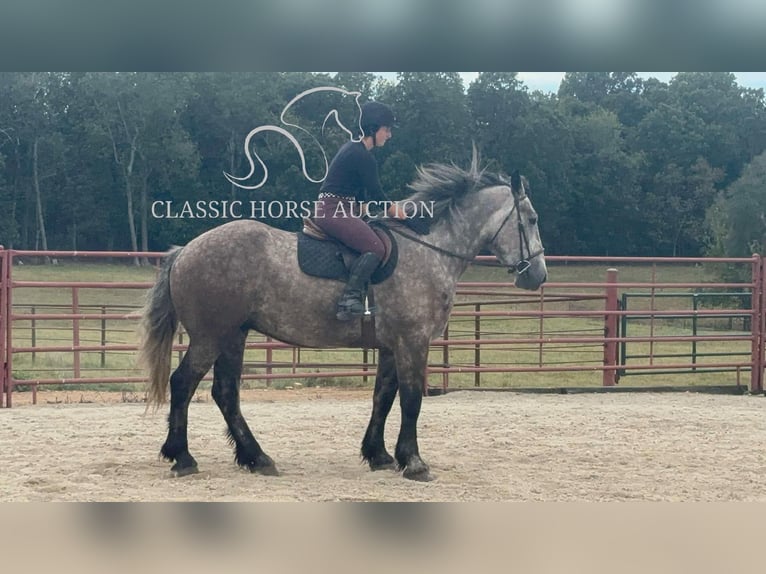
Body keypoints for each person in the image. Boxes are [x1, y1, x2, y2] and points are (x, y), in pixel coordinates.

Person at [314, 101, 406, 321]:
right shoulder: (362, 156)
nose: (389, 135)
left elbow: (363, 195)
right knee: (376, 247)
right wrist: (400, 213)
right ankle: (349, 300)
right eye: (387, 129)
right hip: (333, 210)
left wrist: (365, 214)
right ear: (374, 129)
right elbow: (377, 193)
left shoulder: (354, 150)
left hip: (341, 208)